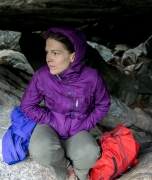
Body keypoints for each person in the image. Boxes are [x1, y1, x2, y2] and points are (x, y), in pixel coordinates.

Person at [20, 27, 110, 180]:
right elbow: (27, 105)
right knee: (41, 150)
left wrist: (86, 124)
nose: (48, 58)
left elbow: (103, 104)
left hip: (78, 128)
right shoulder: (42, 75)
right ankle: (66, 168)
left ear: (73, 56)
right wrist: (51, 120)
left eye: (55, 53)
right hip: (50, 124)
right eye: (47, 52)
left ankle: (80, 176)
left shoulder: (92, 77)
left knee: (90, 153)